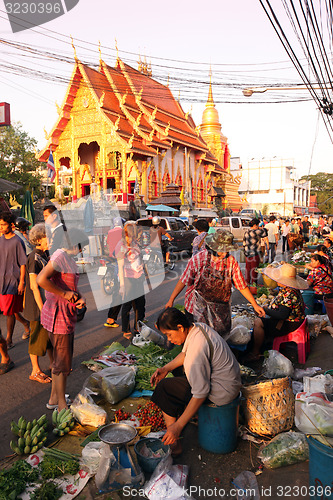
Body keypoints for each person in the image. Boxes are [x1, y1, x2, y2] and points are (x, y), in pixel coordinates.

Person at [150, 307, 241, 455]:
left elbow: (201, 393)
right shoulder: (197, 327)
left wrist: (178, 426)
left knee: (164, 388)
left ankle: (175, 445)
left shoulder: (196, 352)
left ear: (180, 327)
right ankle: (188, 414)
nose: (169, 339)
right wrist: (165, 368)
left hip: (222, 392)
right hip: (230, 382)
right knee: (178, 370)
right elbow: (184, 354)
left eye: (169, 334)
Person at [166, 229, 265, 338]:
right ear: (213, 247)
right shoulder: (199, 259)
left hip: (220, 312)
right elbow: (184, 280)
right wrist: (171, 299)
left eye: (227, 250)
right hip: (195, 310)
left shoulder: (231, 261)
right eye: (222, 250)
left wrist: (255, 305)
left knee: (219, 341)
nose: (225, 254)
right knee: (198, 341)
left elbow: (241, 285)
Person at [37, 228, 88, 411]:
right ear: (73, 245)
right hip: (58, 317)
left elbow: (70, 285)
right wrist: (65, 294)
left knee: (60, 361)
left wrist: (78, 297)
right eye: (81, 247)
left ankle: (54, 398)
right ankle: (61, 404)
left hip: (64, 315)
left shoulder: (68, 259)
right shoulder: (59, 256)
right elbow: (41, 280)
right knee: (62, 363)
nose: (81, 251)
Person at [248, 263, 308, 361]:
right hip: (295, 321)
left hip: (289, 324)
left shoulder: (288, 294)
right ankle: (264, 343)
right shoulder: (289, 289)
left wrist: (266, 310)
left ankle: (255, 352)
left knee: (258, 322)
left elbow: (282, 315)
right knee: (263, 319)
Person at [24, 223, 53, 383]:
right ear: (40, 239)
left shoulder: (43, 255)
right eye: (48, 236)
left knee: (47, 336)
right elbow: (34, 286)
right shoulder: (34, 258)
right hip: (37, 305)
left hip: (44, 303)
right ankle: (35, 370)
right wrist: (43, 309)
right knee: (36, 337)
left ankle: (52, 363)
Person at [0, 213, 30, 349]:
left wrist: (22, 282)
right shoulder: (0, 239)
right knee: (9, 309)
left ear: (11, 225)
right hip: (2, 279)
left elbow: (23, 263)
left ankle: (9, 339)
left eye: (3, 225)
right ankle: (25, 324)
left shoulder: (18, 241)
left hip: (13, 280)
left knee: (8, 312)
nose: (1, 227)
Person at [116, 221, 146, 339]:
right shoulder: (122, 245)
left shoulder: (135, 243)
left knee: (140, 305)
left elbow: (140, 257)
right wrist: (122, 285)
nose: (135, 235)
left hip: (138, 277)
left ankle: (138, 328)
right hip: (128, 278)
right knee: (127, 305)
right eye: (133, 233)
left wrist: (141, 265)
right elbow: (120, 266)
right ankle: (126, 329)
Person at [104, 217, 123, 328]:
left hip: (111, 257)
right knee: (119, 290)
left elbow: (107, 243)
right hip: (119, 260)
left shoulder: (110, 232)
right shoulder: (123, 233)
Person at [242, 218, 268, 285]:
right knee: (254, 270)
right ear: (255, 225)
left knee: (248, 269)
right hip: (255, 253)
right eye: (258, 225)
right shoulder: (256, 232)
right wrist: (261, 228)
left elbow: (244, 243)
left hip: (247, 253)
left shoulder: (246, 232)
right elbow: (265, 232)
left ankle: (247, 283)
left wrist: (245, 251)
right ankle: (254, 284)